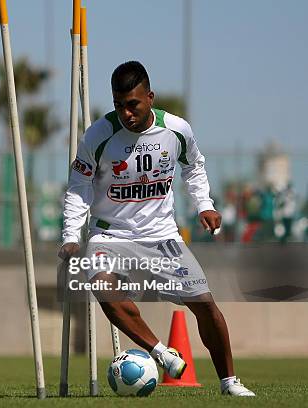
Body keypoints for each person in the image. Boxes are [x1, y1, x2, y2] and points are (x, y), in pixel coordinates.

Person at [58, 61, 255, 397]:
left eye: (133, 104)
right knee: (102, 286)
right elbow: (79, 186)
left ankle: (229, 383)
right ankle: (161, 352)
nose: (126, 113)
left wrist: (204, 205)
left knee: (205, 305)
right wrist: (71, 235)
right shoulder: (97, 136)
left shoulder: (177, 129)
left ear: (149, 97)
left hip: (163, 237)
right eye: (119, 105)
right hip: (110, 235)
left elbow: (194, 167)